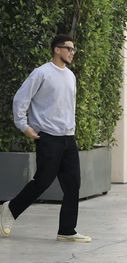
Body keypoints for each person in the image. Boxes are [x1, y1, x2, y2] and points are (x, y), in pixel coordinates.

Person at [0, 34, 91, 243]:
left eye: (73, 49)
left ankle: (67, 230)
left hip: (68, 138)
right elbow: (20, 100)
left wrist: (71, 130)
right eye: (68, 48)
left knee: (73, 184)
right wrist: (24, 127)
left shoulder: (70, 76)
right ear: (56, 50)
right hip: (48, 137)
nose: (72, 52)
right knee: (42, 181)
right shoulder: (41, 73)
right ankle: (10, 210)